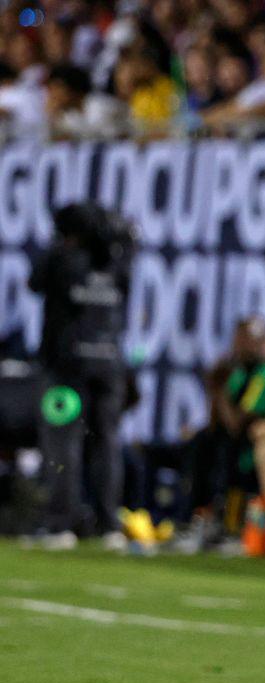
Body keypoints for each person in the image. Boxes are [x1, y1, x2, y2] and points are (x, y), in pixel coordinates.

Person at [29, 202, 134, 549]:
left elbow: (34, 281)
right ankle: (108, 525)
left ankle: (62, 524)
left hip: (66, 368)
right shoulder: (118, 258)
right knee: (107, 443)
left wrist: (57, 248)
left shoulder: (62, 258)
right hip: (108, 364)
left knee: (63, 443)